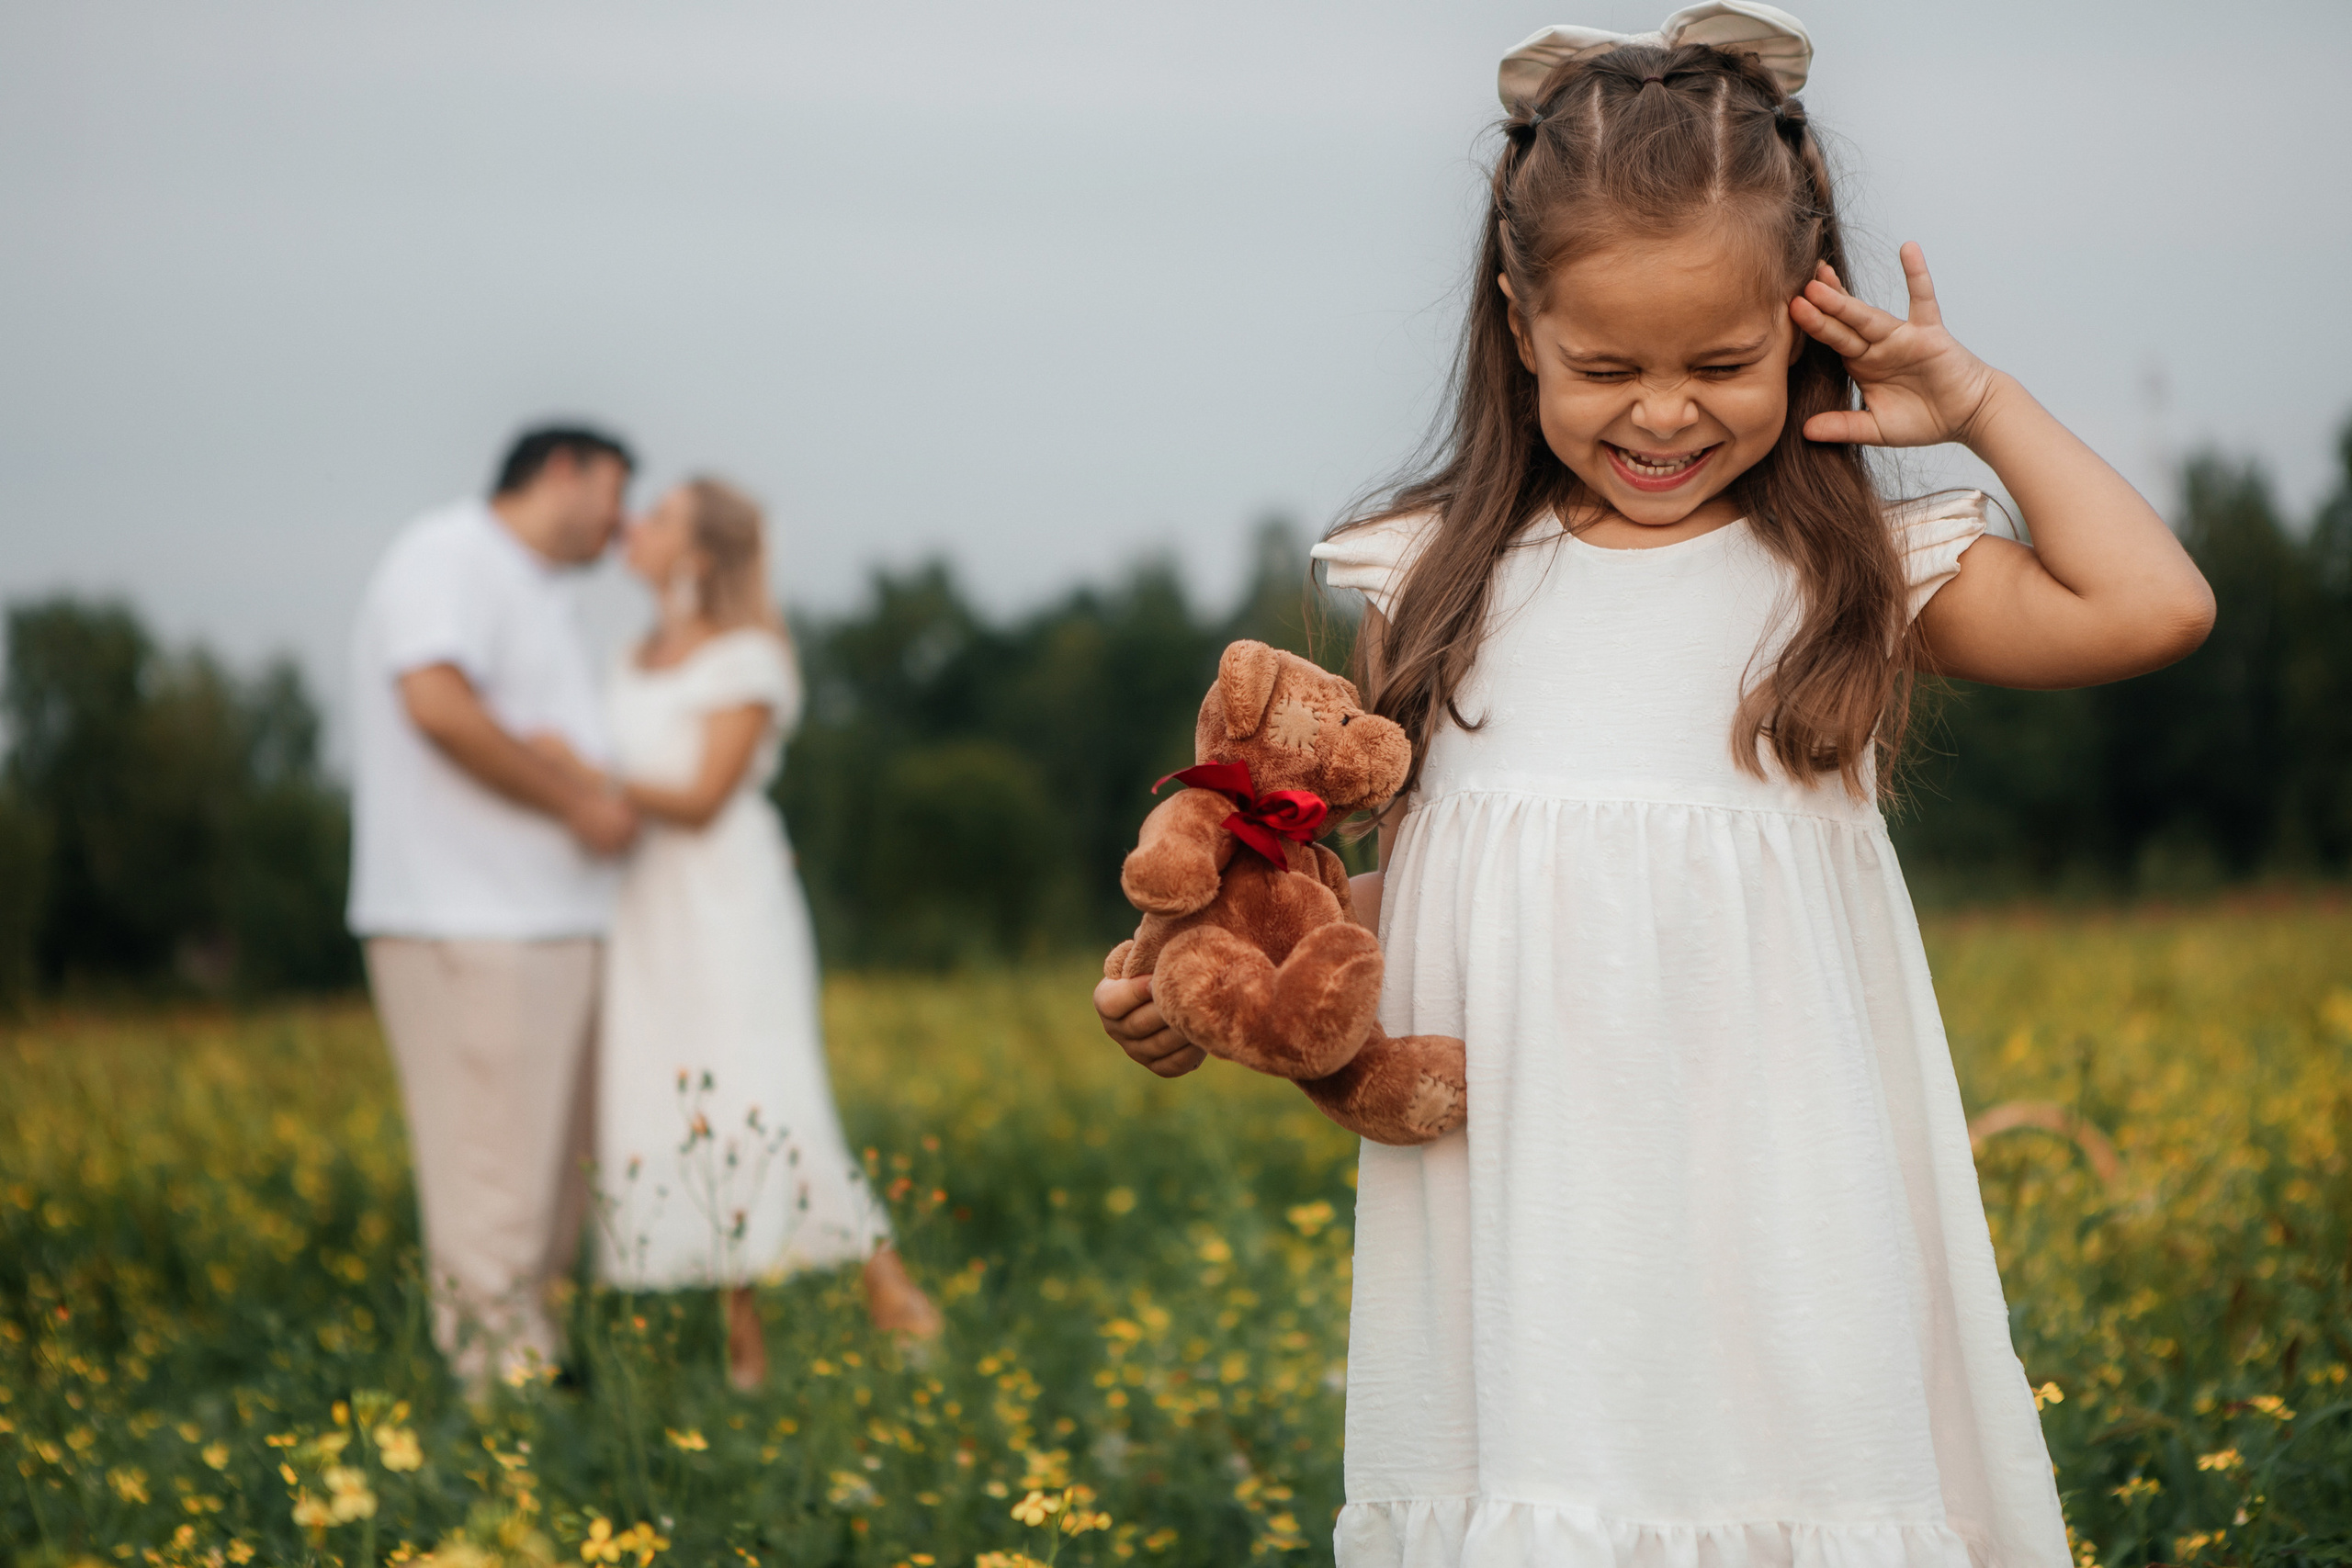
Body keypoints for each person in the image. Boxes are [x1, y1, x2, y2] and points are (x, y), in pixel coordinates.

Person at [1095, 11, 2215, 1567]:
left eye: (1726, 361)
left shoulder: (1855, 570)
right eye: (1606, 365)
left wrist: (1972, 402)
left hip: (1778, 1207)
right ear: (1517, 322)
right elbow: (1415, 895)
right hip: (1528, 1221)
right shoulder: (1429, 573)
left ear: (1805, 325)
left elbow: (2153, 605)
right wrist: (1217, 973)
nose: (1665, 412)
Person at [548, 476, 941, 1390]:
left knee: (763, 1089)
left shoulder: (749, 658)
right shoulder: (626, 657)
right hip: (647, 905)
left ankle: (891, 1289)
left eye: (656, 519)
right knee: (682, 1103)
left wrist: (585, 772)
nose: (631, 529)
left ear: (697, 557)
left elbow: (701, 796)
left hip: (726, 899)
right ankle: (745, 1351)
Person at [348, 424, 641, 1383]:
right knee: (492, 1181)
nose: (620, 522)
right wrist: (577, 806)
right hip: (467, 919)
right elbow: (433, 700)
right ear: (562, 471)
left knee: (549, 1189)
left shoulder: (537, 593)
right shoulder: (448, 553)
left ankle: (534, 1380)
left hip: (543, 922)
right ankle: (499, 1413)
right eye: (613, 492)